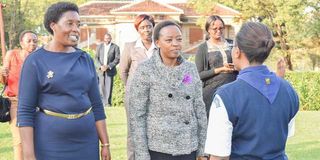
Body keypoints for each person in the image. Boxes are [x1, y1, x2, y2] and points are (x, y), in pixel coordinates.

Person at [17, 2, 111, 160]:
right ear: (53, 25)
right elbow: (25, 111)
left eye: (78, 24)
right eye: (70, 23)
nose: (76, 29)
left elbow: (96, 104)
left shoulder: (85, 59)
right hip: (50, 143)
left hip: (86, 141)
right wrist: (28, 155)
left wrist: (105, 144)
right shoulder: (35, 61)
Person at [204, 22, 299, 160]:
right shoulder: (289, 90)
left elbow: (219, 156)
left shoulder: (226, 96)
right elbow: (285, 134)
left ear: (237, 51)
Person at [128, 20, 207, 160]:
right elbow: (137, 115)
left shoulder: (190, 69)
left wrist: (202, 150)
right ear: (157, 42)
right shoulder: (145, 70)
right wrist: (142, 155)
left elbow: (199, 109)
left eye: (179, 39)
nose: (175, 44)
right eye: (169, 40)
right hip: (158, 149)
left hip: (188, 146)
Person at [119, 14, 157, 160]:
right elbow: (123, 71)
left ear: (153, 27)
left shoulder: (159, 46)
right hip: (134, 98)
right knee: (134, 132)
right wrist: (133, 88)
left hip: (156, 98)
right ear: (137, 30)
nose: (146, 30)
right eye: (142, 27)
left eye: (149, 26)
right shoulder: (130, 47)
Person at [0, 30, 38, 160]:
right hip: (15, 103)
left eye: (35, 41)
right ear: (21, 43)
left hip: (35, 104)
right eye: (29, 41)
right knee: (19, 141)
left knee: (35, 140)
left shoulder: (38, 59)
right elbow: (3, 81)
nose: (32, 43)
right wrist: (2, 73)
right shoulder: (12, 54)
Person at [195, 15, 237, 117]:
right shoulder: (203, 48)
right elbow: (198, 75)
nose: (218, 31)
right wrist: (221, 69)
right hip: (212, 93)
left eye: (221, 28)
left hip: (233, 89)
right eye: (215, 29)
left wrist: (235, 67)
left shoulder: (232, 44)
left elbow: (242, 64)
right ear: (208, 30)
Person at [95, 33, 120, 107]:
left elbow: (117, 59)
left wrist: (108, 66)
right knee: (101, 86)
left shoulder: (115, 47)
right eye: (106, 38)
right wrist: (100, 66)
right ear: (104, 39)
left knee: (108, 87)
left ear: (111, 39)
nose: (107, 40)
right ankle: (102, 103)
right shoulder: (99, 47)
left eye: (108, 38)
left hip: (110, 70)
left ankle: (107, 103)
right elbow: (96, 58)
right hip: (101, 70)